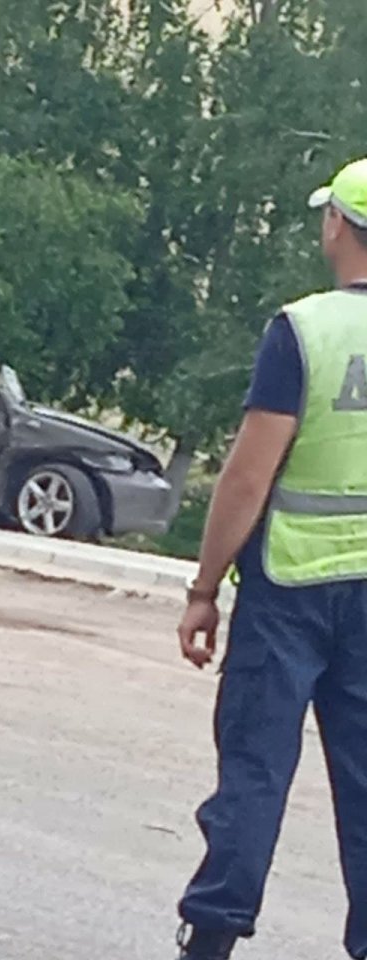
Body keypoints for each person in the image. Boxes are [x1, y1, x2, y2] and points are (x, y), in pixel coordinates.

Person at [175, 157, 367, 960]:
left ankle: (213, 936)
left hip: (289, 589)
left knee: (255, 771)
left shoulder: (303, 330)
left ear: (338, 226)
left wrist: (203, 587)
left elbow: (249, 474)